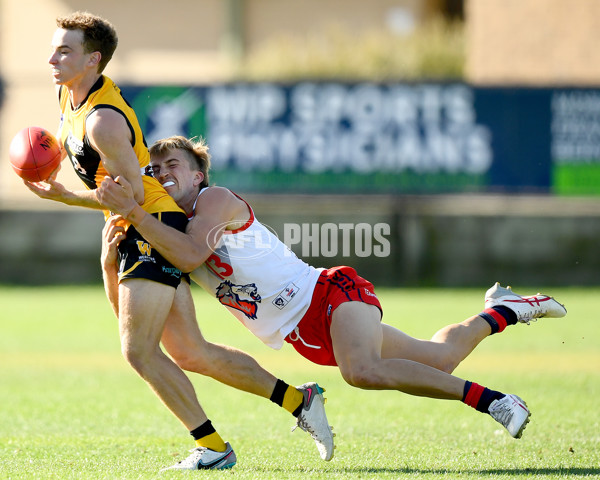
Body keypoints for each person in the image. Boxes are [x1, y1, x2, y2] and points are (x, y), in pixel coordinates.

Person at [97, 135, 568, 444]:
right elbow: (135, 312)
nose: (160, 174)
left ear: (198, 175)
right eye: (152, 169)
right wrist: (111, 254)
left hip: (328, 293)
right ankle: (504, 309)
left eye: (171, 164)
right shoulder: (166, 230)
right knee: (440, 357)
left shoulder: (213, 200)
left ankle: (496, 402)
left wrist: (135, 215)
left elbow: (193, 255)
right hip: (306, 334)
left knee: (362, 371)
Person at [22, 12, 334, 471]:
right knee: (190, 353)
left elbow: (132, 190)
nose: (52, 57)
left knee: (137, 351)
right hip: (132, 224)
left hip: (149, 223)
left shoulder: (101, 123)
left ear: (93, 60)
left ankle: (213, 447)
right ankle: (299, 400)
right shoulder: (67, 94)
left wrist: (69, 197)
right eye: (54, 48)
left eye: (64, 50)